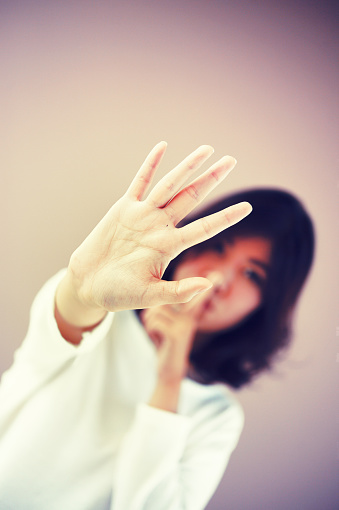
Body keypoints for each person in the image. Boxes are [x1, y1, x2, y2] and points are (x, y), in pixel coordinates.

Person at [0, 142, 314, 510]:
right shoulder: (105, 315)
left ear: (267, 303)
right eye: (219, 247)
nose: (219, 277)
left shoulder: (217, 415)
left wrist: (169, 380)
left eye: (252, 274)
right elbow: (54, 335)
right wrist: (81, 291)